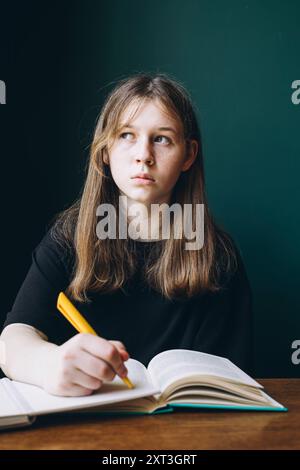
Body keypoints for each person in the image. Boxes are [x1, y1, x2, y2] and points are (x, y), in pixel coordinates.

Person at [0, 73, 253, 397]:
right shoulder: (67, 240)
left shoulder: (219, 257)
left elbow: (230, 384)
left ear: (188, 155)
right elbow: (12, 341)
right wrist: (48, 364)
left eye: (162, 139)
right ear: (104, 151)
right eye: (127, 136)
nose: (143, 155)